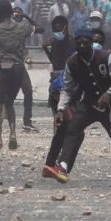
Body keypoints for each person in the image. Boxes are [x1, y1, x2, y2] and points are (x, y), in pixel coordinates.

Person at [54, 29, 111, 192]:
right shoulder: (72, 62)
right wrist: (61, 108)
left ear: (91, 43)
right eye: (79, 43)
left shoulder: (105, 57)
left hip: (109, 107)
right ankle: (63, 166)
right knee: (73, 128)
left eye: (85, 43)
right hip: (88, 104)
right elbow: (67, 89)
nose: (82, 46)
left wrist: (110, 93)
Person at [0, 0, 34, 151]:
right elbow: (32, 27)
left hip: (2, 68)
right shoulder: (21, 26)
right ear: (11, 11)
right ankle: (13, 134)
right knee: (10, 103)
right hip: (18, 68)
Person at [41, 16, 77, 182]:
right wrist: (47, 49)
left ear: (66, 26)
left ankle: (55, 161)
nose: (57, 29)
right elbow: (55, 63)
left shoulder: (72, 43)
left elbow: (71, 65)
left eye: (60, 26)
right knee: (61, 124)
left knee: (65, 125)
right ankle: (57, 161)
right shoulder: (54, 43)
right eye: (54, 26)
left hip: (68, 86)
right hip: (57, 88)